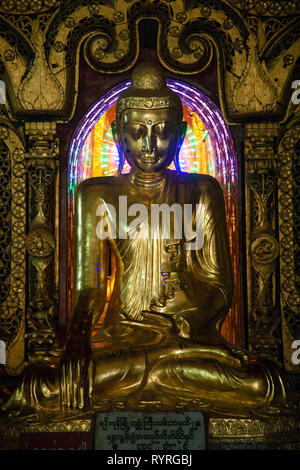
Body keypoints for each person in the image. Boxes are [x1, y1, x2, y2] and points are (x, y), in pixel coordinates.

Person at [2, 63, 289, 418]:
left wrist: (187, 322)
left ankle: (153, 373)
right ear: (118, 134)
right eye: (137, 132)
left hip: (185, 343)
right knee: (45, 388)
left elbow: (220, 284)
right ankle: (150, 374)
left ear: (182, 135)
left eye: (162, 132)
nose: (149, 145)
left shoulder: (201, 190)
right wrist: (76, 341)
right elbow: (88, 289)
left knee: (262, 385)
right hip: (120, 340)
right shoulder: (97, 194)